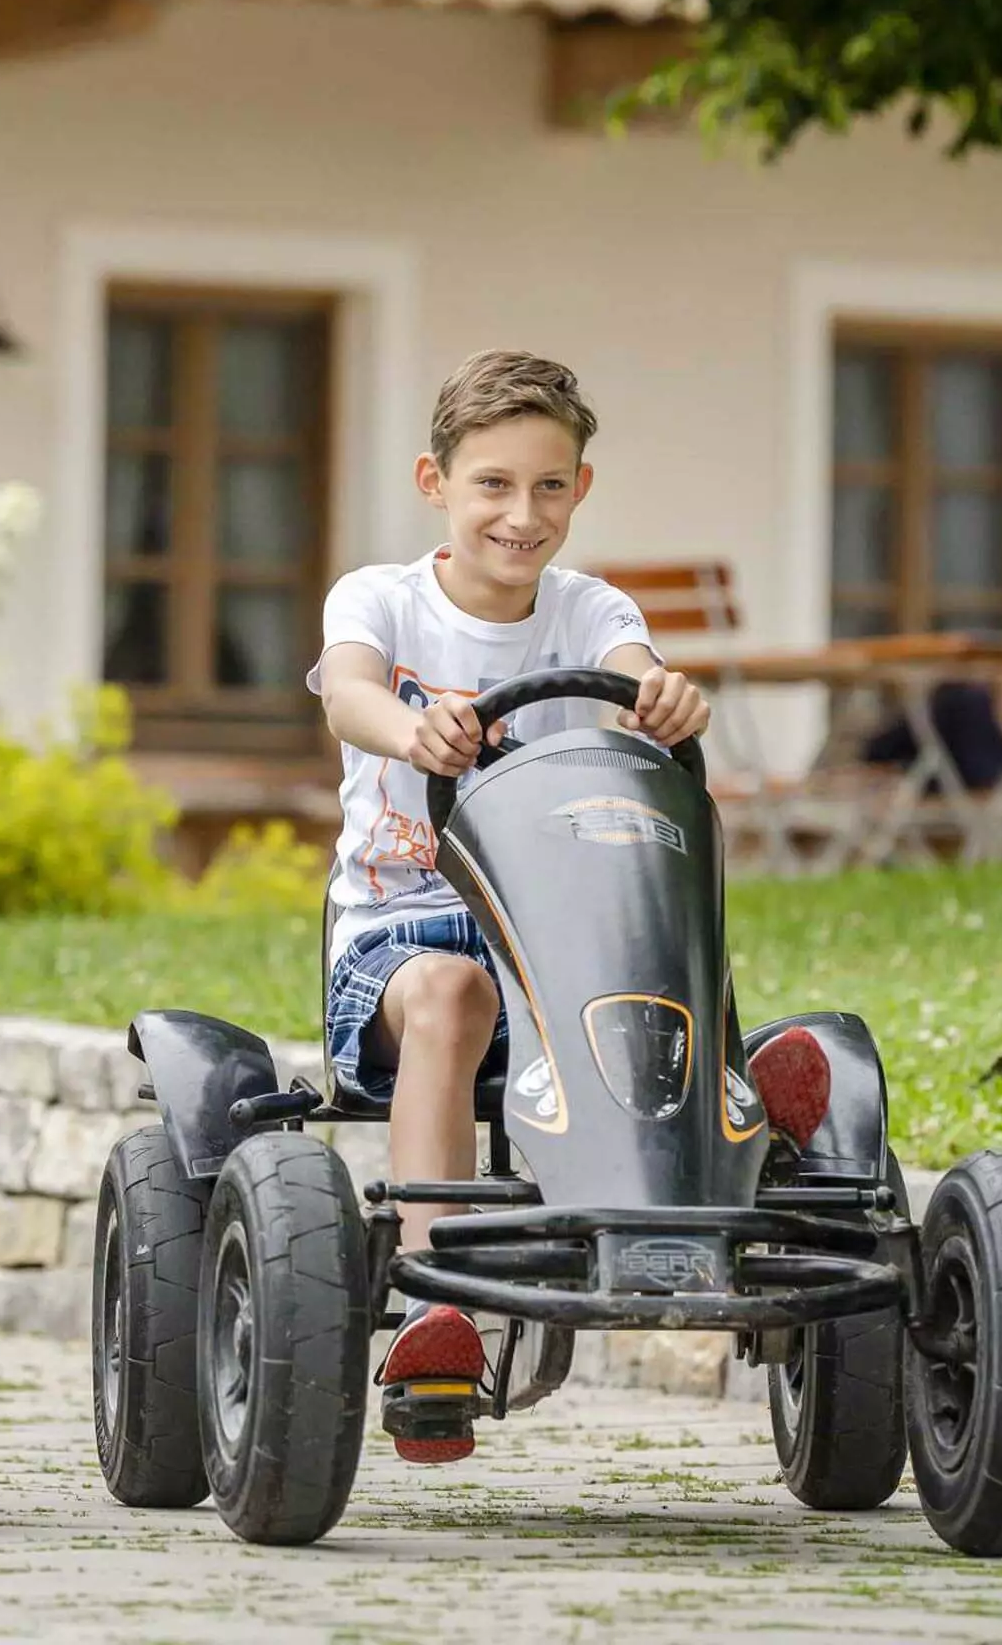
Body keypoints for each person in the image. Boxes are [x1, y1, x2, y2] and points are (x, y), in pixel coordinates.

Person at [307, 348, 710, 1465]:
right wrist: (410, 727)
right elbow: (347, 689)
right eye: (492, 484)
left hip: (558, 929)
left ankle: (735, 1122)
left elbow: (636, 673)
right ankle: (439, 1309)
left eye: (546, 487)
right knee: (455, 990)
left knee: (660, 947)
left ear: (579, 489)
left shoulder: (587, 608)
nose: (520, 514)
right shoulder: (381, 599)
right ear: (436, 482)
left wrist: (665, 699)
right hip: (402, 936)